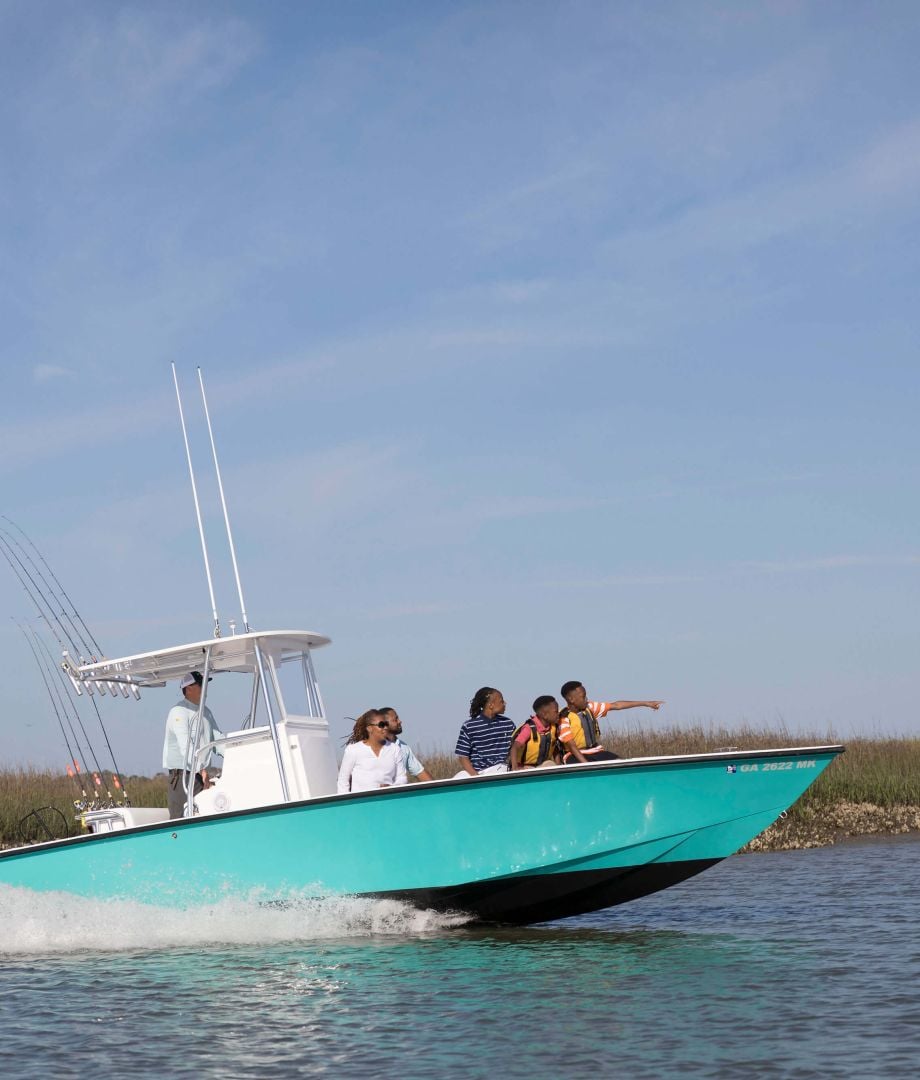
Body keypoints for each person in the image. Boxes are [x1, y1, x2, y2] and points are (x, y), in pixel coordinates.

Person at [162, 671, 223, 818]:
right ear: (188, 689)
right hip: (183, 776)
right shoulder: (178, 712)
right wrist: (200, 769)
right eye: (201, 684)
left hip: (202, 776)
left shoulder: (206, 712)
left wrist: (237, 753)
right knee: (181, 820)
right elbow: (185, 746)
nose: (205, 688)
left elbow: (218, 741)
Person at [558, 680, 664, 765]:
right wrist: (586, 766)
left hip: (595, 751)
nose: (586, 699)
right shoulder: (564, 719)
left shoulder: (590, 707)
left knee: (620, 763)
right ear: (571, 699)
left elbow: (617, 705)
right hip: (575, 756)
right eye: (583, 696)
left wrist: (646, 703)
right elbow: (572, 747)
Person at [337, 709, 408, 793]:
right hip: (361, 803)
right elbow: (343, 780)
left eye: (386, 724)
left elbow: (402, 778)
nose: (385, 728)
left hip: (388, 801)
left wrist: (392, 787)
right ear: (369, 728)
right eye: (381, 725)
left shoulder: (395, 749)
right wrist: (347, 804)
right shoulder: (353, 750)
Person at [454, 687, 515, 777]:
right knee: (460, 776)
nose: (505, 703)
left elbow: (514, 749)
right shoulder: (469, 726)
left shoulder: (508, 724)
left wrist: (514, 767)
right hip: (478, 772)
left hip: (501, 769)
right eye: (501, 701)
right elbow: (463, 756)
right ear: (491, 705)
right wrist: (475, 776)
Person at [379, 707, 433, 782]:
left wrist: (439, 792)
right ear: (384, 725)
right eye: (395, 719)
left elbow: (421, 773)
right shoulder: (374, 747)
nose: (400, 721)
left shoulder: (404, 747)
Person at [509, 695, 562, 769]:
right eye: (556, 711)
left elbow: (554, 748)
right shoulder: (528, 729)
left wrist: (559, 766)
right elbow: (514, 747)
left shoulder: (553, 728)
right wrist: (515, 769)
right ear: (545, 715)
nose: (558, 714)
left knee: (550, 764)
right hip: (525, 767)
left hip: (542, 766)